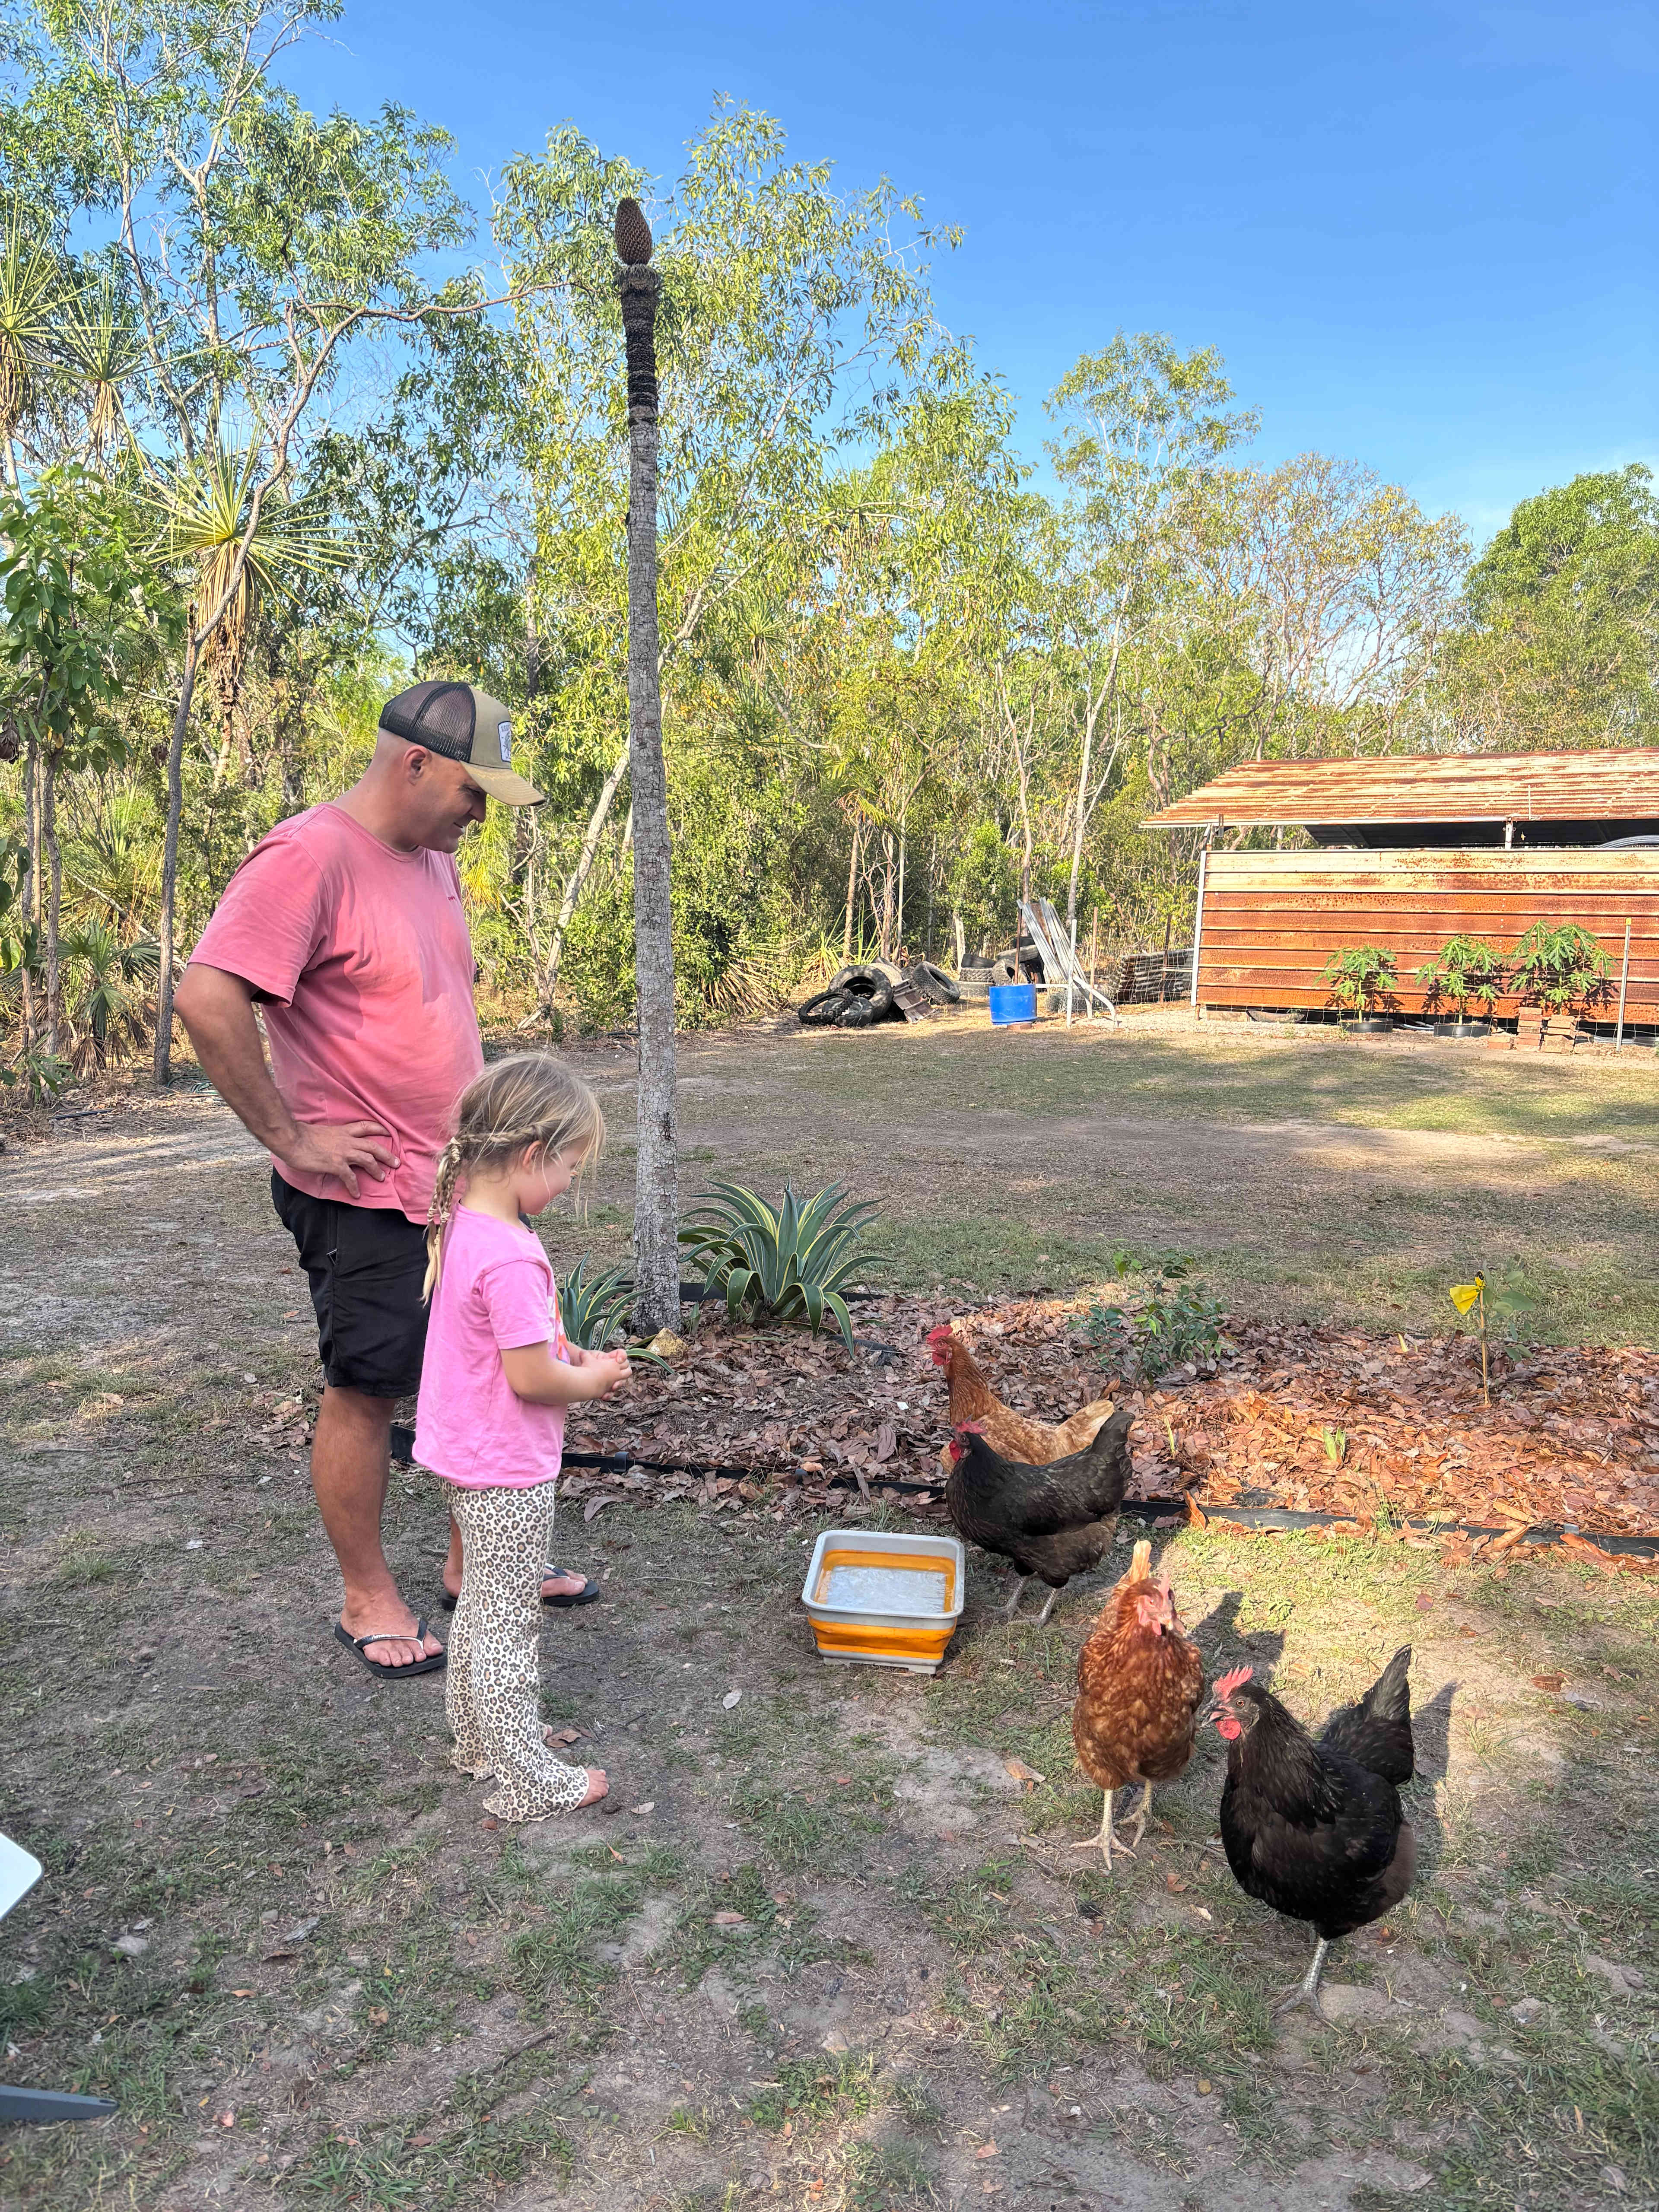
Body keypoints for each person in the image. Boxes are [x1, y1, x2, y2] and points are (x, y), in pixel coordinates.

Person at [175, 680, 594, 1679]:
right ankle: (368, 1596)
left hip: (460, 1190)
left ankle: (477, 1564)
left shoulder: (429, 858)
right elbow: (206, 996)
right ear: (414, 762)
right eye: (472, 790)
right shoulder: (309, 855)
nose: (480, 814)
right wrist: (294, 1135)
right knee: (366, 1391)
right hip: (364, 1193)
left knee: (487, 1369)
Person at [415, 1054, 629, 1819]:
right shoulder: (511, 1251)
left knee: (479, 1604)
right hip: (507, 1466)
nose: (571, 1182)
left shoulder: (465, 1220)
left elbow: (510, 1343)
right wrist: (594, 1380)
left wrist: (568, 1351)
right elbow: (531, 1380)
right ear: (533, 1155)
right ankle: (531, 1782)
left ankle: (478, 1741)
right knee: (507, 1620)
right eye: (571, 1165)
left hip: (465, 1452)